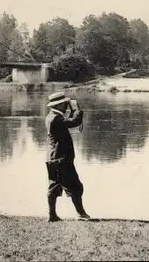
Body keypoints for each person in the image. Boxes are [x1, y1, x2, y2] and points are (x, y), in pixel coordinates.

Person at [45, 91, 90, 222]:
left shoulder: (51, 117)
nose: (66, 105)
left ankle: (52, 215)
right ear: (59, 105)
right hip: (62, 159)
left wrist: (71, 110)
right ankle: (81, 214)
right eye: (65, 104)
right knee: (75, 186)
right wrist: (76, 109)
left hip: (53, 157)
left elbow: (68, 122)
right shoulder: (56, 119)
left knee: (54, 186)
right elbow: (75, 121)